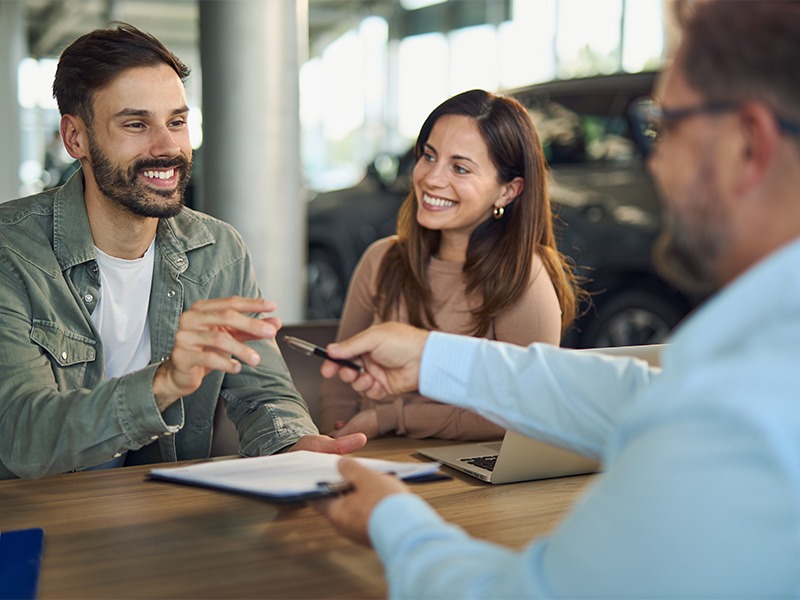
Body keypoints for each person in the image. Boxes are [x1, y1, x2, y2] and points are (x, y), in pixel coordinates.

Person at [315, 1, 800, 596]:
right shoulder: (760, 351)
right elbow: (641, 396)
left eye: (662, 127)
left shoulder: (738, 413)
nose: (653, 163)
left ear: (749, 145)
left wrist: (393, 521)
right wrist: (434, 359)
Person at [0, 23, 365, 481]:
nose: (168, 146)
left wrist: (297, 445)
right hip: (40, 512)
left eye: (176, 122)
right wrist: (164, 382)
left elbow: (262, 396)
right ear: (76, 138)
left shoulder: (218, 251)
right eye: (136, 124)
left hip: (162, 505)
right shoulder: (12, 250)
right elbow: (23, 436)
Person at [320, 89, 583, 441]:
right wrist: (337, 443)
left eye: (459, 168)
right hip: (370, 458)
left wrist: (389, 418)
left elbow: (523, 410)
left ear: (508, 191)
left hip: (461, 472)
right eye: (429, 156)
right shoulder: (381, 259)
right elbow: (340, 381)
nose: (431, 178)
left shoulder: (522, 277)